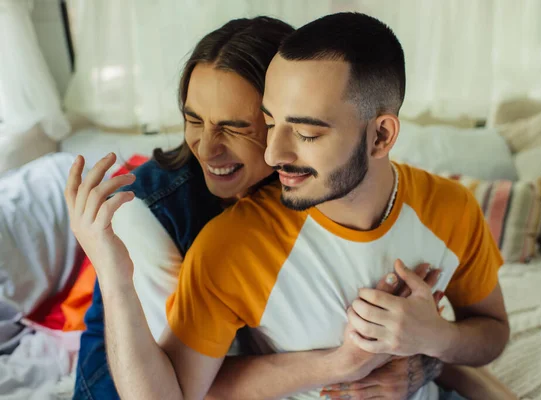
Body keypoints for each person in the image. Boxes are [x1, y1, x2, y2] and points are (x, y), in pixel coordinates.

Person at [67, 12, 517, 400]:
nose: (207, 147)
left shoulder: (429, 205)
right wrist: (345, 364)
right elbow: (185, 390)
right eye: (192, 119)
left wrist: (430, 351)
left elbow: (477, 334)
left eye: (240, 126)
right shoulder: (169, 219)